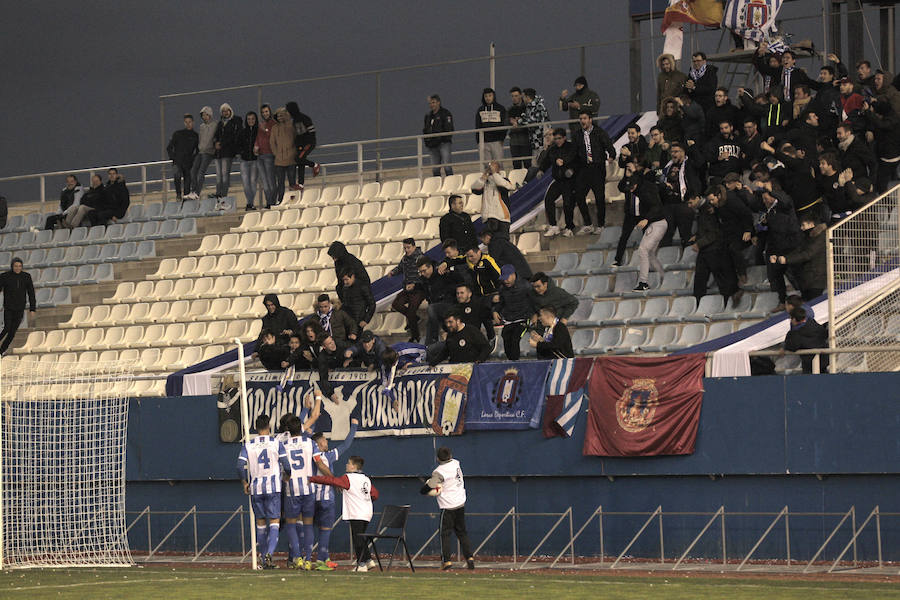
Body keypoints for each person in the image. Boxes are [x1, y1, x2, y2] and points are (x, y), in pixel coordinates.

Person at [236, 414, 291, 569]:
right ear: (269, 426)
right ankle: (269, 555)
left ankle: (263, 557)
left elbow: (240, 466)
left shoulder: (249, 445)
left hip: (256, 488)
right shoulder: (276, 443)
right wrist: (287, 475)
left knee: (260, 524)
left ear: (256, 427)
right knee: (274, 521)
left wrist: (244, 482)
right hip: (273, 488)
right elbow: (286, 464)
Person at [309, 455, 379, 573]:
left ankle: (361, 564)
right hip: (367, 512)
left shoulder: (348, 478)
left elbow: (331, 481)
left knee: (357, 539)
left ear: (353, 466)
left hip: (356, 512)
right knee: (361, 537)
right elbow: (375, 494)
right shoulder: (365, 479)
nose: (346, 465)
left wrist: (312, 479)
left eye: (348, 463)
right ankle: (368, 560)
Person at [310, 418, 359, 571]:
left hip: (312, 497)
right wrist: (354, 426)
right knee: (325, 529)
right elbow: (346, 444)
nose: (327, 441)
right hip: (325, 498)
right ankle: (320, 560)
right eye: (324, 440)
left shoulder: (309, 456)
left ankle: (324, 557)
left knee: (312, 528)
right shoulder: (328, 456)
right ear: (319, 444)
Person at [614, 160, 667, 292]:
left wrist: (646, 219)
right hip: (657, 223)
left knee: (642, 250)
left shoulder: (645, 191)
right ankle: (664, 277)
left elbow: (656, 206)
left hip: (657, 223)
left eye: (632, 188)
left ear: (636, 185)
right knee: (650, 254)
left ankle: (643, 283)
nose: (631, 191)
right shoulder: (640, 188)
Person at [420, 447, 474, 571]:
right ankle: (470, 558)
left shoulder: (439, 471)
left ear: (437, 458)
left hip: (448, 506)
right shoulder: (456, 463)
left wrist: (423, 490)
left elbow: (431, 485)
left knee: (445, 534)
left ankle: (446, 561)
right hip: (460, 503)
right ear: (450, 455)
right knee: (462, 532)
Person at [689, 191, 740, 307]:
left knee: (720, 277)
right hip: (707, 248)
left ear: (697, 198)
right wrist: (697, 236)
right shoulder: (702, 210)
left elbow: (713, 232)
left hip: (714, 248)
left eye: (690, 202)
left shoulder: (707, 210)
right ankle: (696, 304)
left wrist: (699, 243)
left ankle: (728, 300)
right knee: (700, 278)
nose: (689, 206)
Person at [282, 416, 318, 570]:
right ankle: (308, 559)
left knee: (291, 524)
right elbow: (319, 462)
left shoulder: (283, 445)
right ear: (300, 428)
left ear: (288, 430)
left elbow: (282, 466)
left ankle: (297, 558)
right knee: (308, 525)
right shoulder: (310, 443)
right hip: (309, 488)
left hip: (292, 490)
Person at [573, 109, 616, 233]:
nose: (582, 121)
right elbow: (574, 153)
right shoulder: (577, 135)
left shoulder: (599, 132)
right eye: (580, 119)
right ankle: (588, 223)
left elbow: (609, 146)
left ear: (590, 119)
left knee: (599, 197)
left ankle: (601, 225)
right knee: (579, 195)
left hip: (597, 168)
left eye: (585, 118)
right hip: (584, 169)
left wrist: (611, 156)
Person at [771, 214, 827, 301]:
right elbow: (798, 251)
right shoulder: (808, 237)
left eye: (803, 225)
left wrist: (787, 259)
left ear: (811, 224)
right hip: (808, 279)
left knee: (814, 307)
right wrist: (780, 258)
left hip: (815, 279)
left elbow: (808, 254)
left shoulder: (820, 237)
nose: (801, 228)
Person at [540, 128, 582, 238]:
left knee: (568, 203)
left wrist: (569, 168)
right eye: (556, 139)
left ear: (564, 138)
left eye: (559, 138)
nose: (557, 141)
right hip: (558, 180)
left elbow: (577, 162)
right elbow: (546, 161)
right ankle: (553, 226)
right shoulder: (552, 149)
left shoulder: (571, 147)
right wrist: (541, 170)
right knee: (548, 199)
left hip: (569, 181)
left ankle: (569, 227)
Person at [659, 141, 701, 247]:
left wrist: (696, 195)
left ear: (683, 152)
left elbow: (700, 165)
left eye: (676, 151)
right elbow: (661, 169)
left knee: (685, 236)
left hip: (683, 203)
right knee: (666, 235)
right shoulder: (669, 166)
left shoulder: (689, 164)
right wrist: (664, 152)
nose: (673, 154)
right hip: (669, 204)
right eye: (672, 151)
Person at [492, 264, 532, 360]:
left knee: (515, 339)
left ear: (513, 275)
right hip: (509, 320)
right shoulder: (503, 288)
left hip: (523, 319)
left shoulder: (525, 286)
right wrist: (495, 311)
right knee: (505, 337)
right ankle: (511, 361)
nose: (505, 281)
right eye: (503, 279)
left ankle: (515, 363)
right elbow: (501, 302)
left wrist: (533, 315)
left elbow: (534, 301)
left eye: (507, 278)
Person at [388, 238, 425, 342]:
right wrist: (393, 272)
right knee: (396, 304)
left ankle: (415, 336)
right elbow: (400, 268)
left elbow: (425, 275)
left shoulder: (421, 258)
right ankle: (415, 319)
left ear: (413, 246)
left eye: (408, 247)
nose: (406, 250)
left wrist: (415, 284)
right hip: (407, 288)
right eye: (405, 248)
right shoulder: (405, 258)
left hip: (419, 289)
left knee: (411, 311)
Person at [417, 256, 459, 345]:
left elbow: (457, 280)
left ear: (430, 267)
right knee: (430, 318)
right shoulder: (423, 280)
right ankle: (430, 347)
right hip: (436, 307)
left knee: (431, 309)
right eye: (420, 272)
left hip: (449, 304)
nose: (422, 274)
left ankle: (433, 341)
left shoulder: (441, 272)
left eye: (424, 271)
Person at [0, 257, 36, 355]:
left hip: (20, 308)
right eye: (16, 266)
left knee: (12, 333)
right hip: (8, 307)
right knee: (7, 327)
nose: (18, 268)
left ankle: (1, 350)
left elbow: (31, 293)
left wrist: (32, 308)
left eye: (20, 266)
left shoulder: (26, 276)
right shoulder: (5, 276)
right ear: (12, 266)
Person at [471, 161, 514, 238]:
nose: (491, 169)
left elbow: (507, 186)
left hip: (502, 218)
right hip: (489, 218)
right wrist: (484, 177)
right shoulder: (485, 182)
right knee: (492, 244)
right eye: (490, 167)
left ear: (498, 169)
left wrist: (494, 174)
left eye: (493, 167)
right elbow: (474, 188)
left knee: (503, 242)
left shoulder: (504, 180)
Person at [784, 306, 829, 374]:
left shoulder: (796, 333)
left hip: (808, 365)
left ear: (794, 319)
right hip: (824, 362)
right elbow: (825, 334)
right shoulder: (816, 326)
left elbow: (791, 346)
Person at [285, 101, 320, 189]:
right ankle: (301, 184)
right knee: (300, 161)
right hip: (301, 145)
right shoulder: (294, 121)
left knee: (298, 158)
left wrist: (308, 143)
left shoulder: (304, 118)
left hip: (308, 143)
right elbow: (297, 135)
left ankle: (314, 165)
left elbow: (312, 132)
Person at [212, 103, 242, 200]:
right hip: (218, 154)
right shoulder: (220, 123)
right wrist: (215, 143)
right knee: (218, 175)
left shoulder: (234, 122)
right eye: (223, 111)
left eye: (227, 110)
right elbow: (216, 135)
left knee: (225, 174)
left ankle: (223, 194)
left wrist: (222, 144)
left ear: (230, 111)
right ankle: (218, 193)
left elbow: (233, 137)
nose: (225, 113)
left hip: (227, 152)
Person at [166, 114, 199, 202]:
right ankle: (178, 195)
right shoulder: (178, 134)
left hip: (188, 163)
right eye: (186, 122)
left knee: (187, 182)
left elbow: (198, 150)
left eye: (190, 122)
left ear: (193, 123)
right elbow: (169, 147)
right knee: (177, 175)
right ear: (184, 123)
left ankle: (185, 200)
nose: (188, 124)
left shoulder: (195, 136)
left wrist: (193, 158)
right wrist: (173, 158)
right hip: (178, 161)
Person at [270, 107, 297, 206]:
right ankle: (280, 199)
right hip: (279, 160)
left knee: (292, 182)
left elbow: (297, 139)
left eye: (282, 115)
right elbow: (272, 143)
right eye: (278, 115)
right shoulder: (274, 128)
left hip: (291, 159)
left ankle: (293, 200)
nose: (280, 117)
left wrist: (294, 152)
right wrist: (276, 154)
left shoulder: (292, 126)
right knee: (280, 182)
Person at [188, 106, 216, 199]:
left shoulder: (215, 125)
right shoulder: (201, 127)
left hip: (208, 152)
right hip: (200, 151)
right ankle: (193, 191)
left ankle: (197, 192)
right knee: (193, 171)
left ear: (210, 115)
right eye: (203, 115)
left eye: (206, 115)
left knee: (201, 172)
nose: (204, 117)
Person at [423, 94, 454, 176]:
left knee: (447, 167)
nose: (431, 105)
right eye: (430, 103)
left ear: (439, 103)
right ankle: (437, 187)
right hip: (432, 146)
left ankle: (451, 185)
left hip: (444, 144)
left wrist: (441, 139)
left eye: (433, 102)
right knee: (435, 169)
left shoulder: (446, 113)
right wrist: (427, 142)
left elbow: (449, 128)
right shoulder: (428, 116)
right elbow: (425, 130)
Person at [519, 88, 550, 164]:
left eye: (523, 96)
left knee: (540, 161)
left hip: (541, 139)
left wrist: (519, 121)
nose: (522, 99)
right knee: (536, 161)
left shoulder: (538, 106)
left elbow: (533, 121)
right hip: (535, 140)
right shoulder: (530, 107)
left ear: (527, 97)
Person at [475, 87, 507, 162]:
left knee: (498, 165)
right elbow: (478, 126)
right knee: (486, 165)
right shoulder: (480, 110)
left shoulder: (501, 108)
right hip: (484, 142)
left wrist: (502, 138)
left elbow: (504, 125)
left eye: (490, 95)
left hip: (497, 141)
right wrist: (479, 142)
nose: (488, 98)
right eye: (486, 96)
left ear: (493, 96)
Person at [255, 104, 278, 209]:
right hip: (260, 156)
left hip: (269, 155)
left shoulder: (274, 124)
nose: (265, 114)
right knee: (264, 182)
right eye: (263, 112)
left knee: (271, 180)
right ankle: (268, 202)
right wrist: (256, 146)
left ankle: (273, 202)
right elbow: (258, 138)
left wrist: (266, 130)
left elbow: (274, 138)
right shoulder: (261, 124)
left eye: (266, 111)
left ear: (270, 112)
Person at [237, 111, 259, 210]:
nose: (251, 121)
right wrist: (241, 152)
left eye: (252, 119)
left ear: (256, 120)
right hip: (244, 161)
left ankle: (250, 203)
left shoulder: (259, 131)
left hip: (255, 160)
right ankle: (250, 203)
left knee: (253, 182)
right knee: (246, 184)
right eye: (249, 119)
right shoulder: (242, 132)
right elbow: (238, 144)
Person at [507, 87, 531, 169]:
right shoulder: (510, 109)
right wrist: (510, 121)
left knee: (527, 164)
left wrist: (519, 121)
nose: (514, 98)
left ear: (521, 96)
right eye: (512, 96)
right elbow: (505, 122)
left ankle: (529, 182)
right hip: (514, 141)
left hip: (525, 139)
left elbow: (529, 120)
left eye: (516, 96)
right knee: (516, 166)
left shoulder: (527, 108)